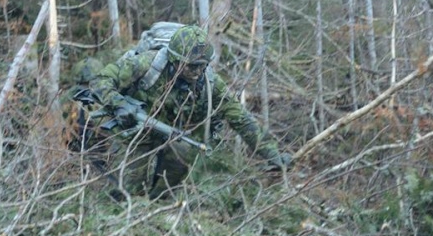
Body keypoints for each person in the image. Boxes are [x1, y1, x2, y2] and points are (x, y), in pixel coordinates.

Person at [89, 24, 292, 200]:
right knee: (131, 186)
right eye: (191, 66)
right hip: (134, 129)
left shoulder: (211, 84)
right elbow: (101, 80)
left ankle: (156, 205)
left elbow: (241, 120)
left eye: (201, 66)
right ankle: (122, 206)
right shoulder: (146, 64)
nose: (196, 72)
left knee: (179, 163)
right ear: (174, 59)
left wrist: (272, 154)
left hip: (170, 133)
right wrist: (119, 104)